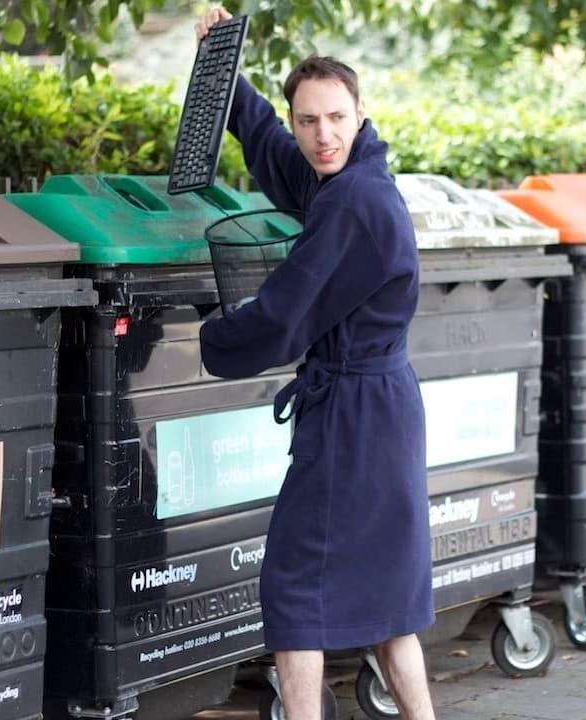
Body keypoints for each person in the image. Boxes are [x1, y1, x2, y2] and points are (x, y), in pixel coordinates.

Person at [194, 8, 437, 720]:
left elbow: (283, 316)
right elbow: (273, 152)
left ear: (361, 115)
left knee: (296, 588)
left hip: (354, 419)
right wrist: (222, 69)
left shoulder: (353, 204)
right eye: (308, 120)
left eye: (334, 118)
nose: (321, 134)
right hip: (381, 408)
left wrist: (207, 339)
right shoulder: (345, 181)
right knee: (388, 596)